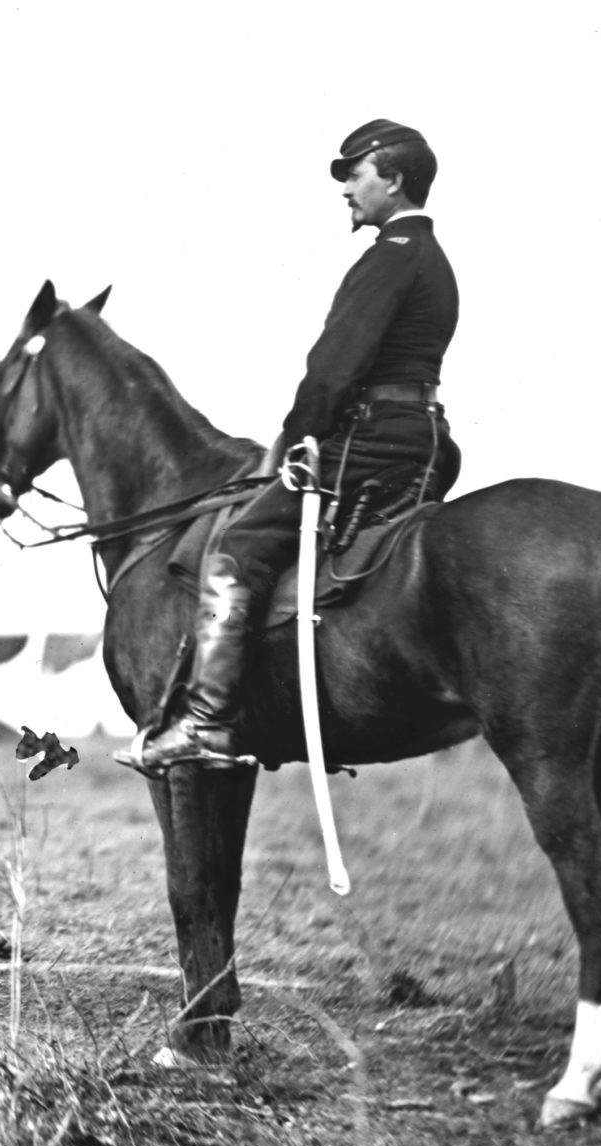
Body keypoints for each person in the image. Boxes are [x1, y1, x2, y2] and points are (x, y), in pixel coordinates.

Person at [119, 118, 463, 775]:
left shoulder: (389, 256)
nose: (347, 191)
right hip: (417, 437)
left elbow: (334, 366)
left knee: (235, 550)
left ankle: (205, 722)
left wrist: (297, 437)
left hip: (369, 442)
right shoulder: (432, 259)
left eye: (356, 175)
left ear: (392, 179)